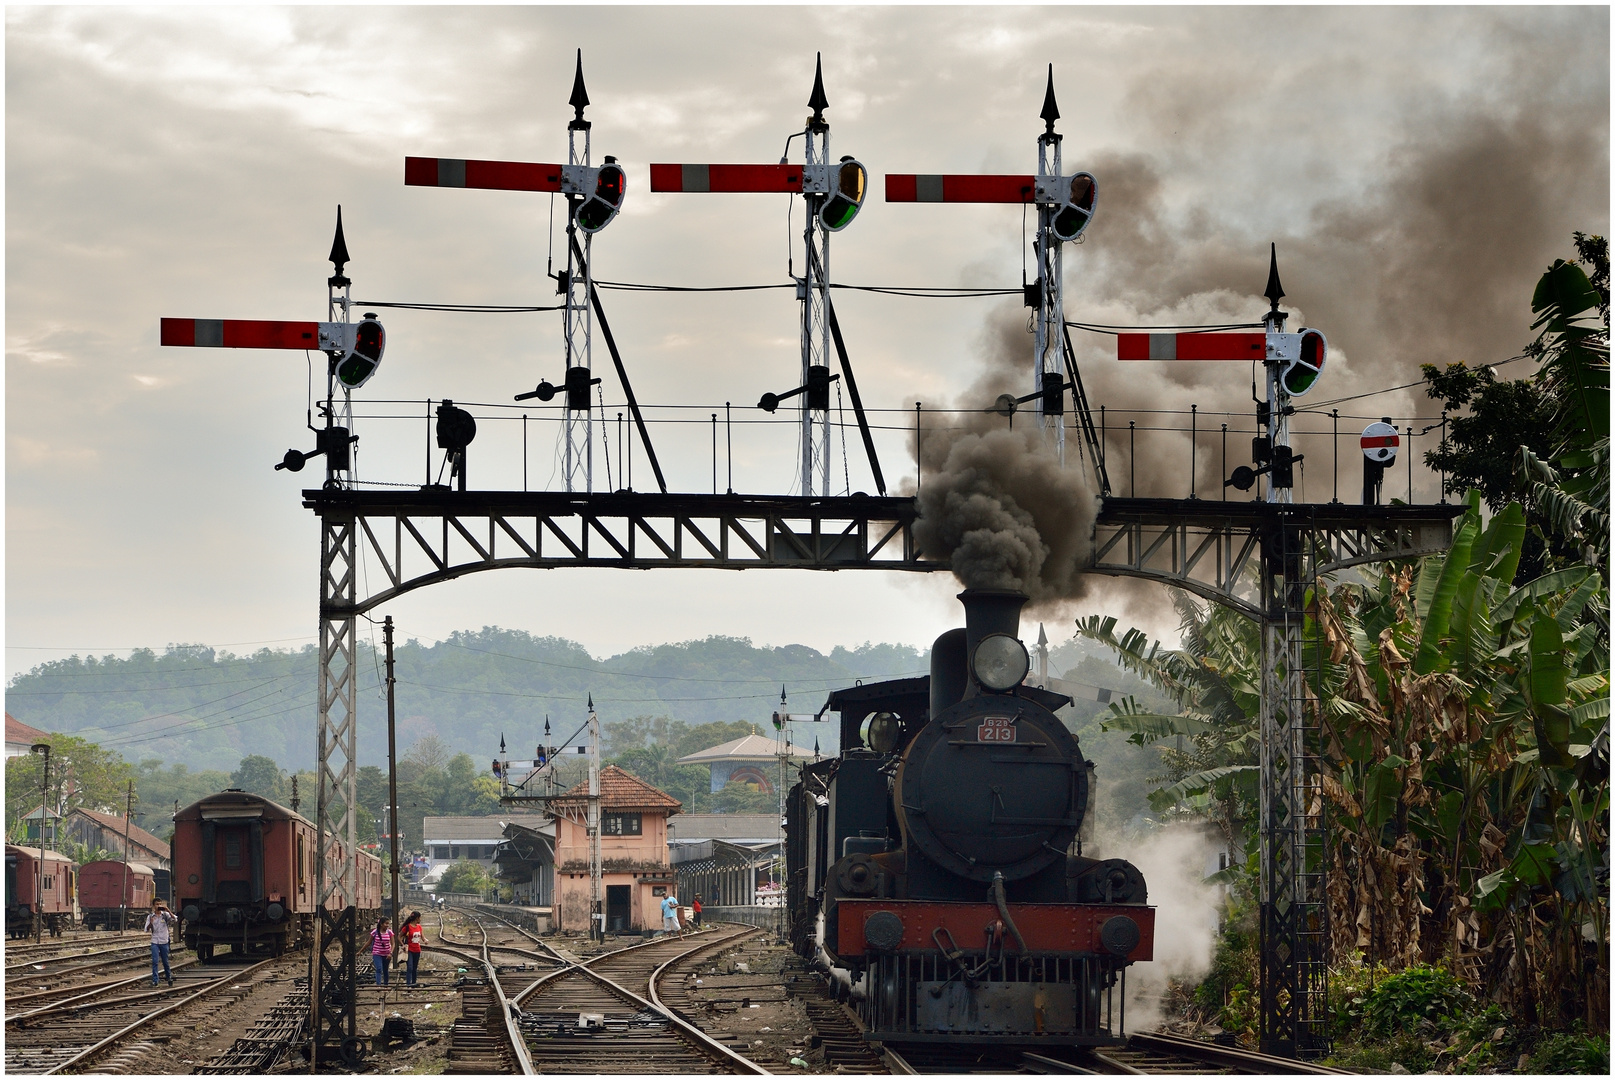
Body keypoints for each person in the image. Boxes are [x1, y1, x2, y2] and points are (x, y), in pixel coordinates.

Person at [144, 898, 179, 987]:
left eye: (160, 904)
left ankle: (169, 977)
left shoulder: (165, 915)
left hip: (164, 941)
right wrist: (151, 923)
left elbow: (175, 919)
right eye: (156, 904)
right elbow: (146, 930)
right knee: (155, 961)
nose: (158, 906)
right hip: (155, 941)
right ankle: (155, 980)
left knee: (165, 961)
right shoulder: (150, 917)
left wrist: (168, 910)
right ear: (153, 906)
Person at [399, 911, 424, 987]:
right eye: (420, 917)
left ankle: (414, 983)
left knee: (414, 968)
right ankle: (408, 984)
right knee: (410, 967)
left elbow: (422, 937)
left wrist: (425, 940)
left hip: (417, 950)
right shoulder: (407, 927)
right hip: (409, 950)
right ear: (417, 918)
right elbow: (399, 936)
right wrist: (403, 945)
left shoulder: (419, 927)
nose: (420, 919)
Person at [370, 916, 394, 986]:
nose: (387, 925)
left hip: (387, 954)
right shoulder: (374, 932)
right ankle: (378, 985)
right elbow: (368, 942)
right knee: (379, 969)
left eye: (388, 924)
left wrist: (391, 953)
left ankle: (386, 985)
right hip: (377, 953)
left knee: (385, 970)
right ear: (381, 924)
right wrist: (360, 951)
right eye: (386, 923)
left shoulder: (390, 932)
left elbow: (393, 944)